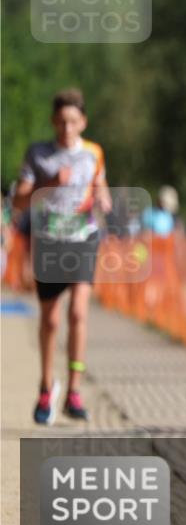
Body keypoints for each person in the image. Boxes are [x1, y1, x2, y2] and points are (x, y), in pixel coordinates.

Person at [13, 88, 112, 424]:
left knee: (78, 314)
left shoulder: (94, 152)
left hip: (82, 238)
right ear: (53, 122)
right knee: (52, 320)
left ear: (83, 122)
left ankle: (74, 391)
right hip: (49, 242)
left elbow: (100, 181)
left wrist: (104, 198)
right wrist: (51, 184)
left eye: (73, 121)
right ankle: (46, 386)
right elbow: (19, 201)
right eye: (61, 122)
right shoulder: (38, 154)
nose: (67, 128)